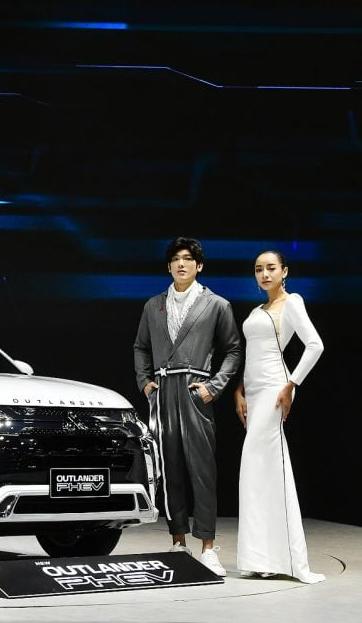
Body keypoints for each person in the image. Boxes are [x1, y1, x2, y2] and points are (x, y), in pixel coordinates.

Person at [133, 237, 242, 576]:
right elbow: (140, 347)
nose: (182, 264)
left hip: (196, 389)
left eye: (188, 259)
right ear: (169, 266)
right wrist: (145, 381)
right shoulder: (153, 305)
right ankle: (178, 542)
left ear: (199, 265)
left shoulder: (216, 304)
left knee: (202, 470)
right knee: (170, 469)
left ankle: (208, 547)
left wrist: (214, 387)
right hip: (164, 390)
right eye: (176, 259)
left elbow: (233, 350)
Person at [234, 251, 324, 583]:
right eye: (259, 269)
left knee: (264, 465)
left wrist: (291, 384)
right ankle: (261, 558)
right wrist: (239, 390)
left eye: (271, 268)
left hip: (275, 388)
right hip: (254, 391)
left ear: (284, 271)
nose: (265, 274)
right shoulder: (257, 310)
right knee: (256, 471)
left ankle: (289, 560)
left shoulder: (292, 302)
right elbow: (251, 355)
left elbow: (315, 345)